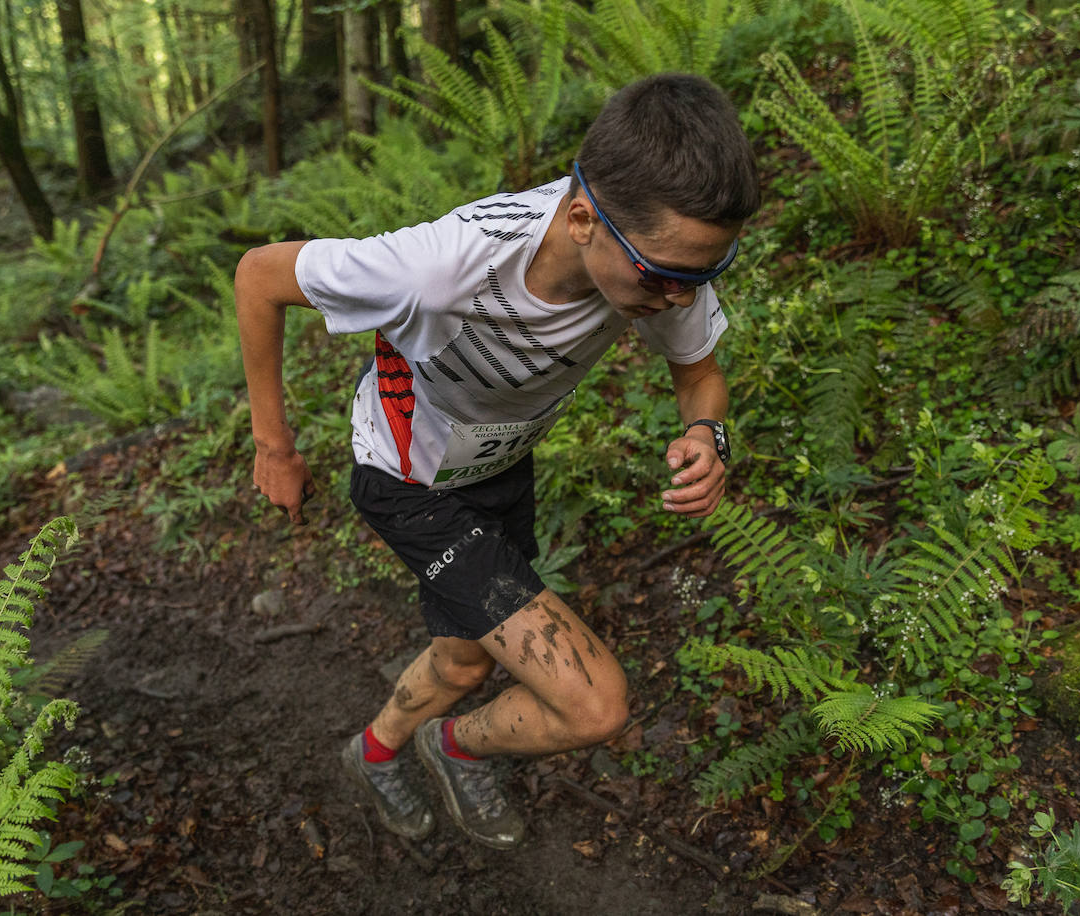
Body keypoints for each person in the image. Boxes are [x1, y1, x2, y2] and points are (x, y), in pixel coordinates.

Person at [234, 72, 760, 850]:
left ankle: (375, 753)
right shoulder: (440, 269)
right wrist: (274, 447)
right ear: (582, 220)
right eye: (665, 278)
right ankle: (454, 747)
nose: (681, 301)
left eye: (704, 277)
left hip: (500, 467)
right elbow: (258, 276)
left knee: (463, 662)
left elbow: (699, 375)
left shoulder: (654, 251)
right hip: (408, 482)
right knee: (595, 705)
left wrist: (707, 434)